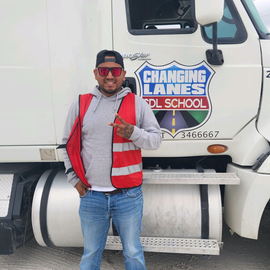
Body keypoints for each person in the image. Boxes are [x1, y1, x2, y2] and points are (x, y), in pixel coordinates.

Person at [62, 49, 162, 270]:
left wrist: (132, 133)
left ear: (123, 73)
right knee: (90, 254)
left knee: (133, 253)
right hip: (92, 196)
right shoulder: (81, 103)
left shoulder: (138, 104)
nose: (109, 75)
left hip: (128, 196)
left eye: (115, 70)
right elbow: (66, 145)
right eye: (104, 70)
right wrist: (74, 181)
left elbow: (156, 140)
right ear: (95, 74)